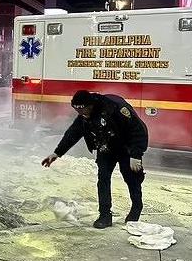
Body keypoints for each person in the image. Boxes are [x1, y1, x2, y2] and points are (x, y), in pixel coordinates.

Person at [42, 90, 148, 229]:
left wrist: (136, 155)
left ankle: (136, 208)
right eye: (77, 110)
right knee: (103, 179)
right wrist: (57, 153)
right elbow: (73, 134)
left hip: (126, 148)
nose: (81, 113)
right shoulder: (84, 115)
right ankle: (105, 215)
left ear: (91, 105)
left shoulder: (115, 108)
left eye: (83, 109)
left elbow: (138, 130)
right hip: (106, 148)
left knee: (131, 178)